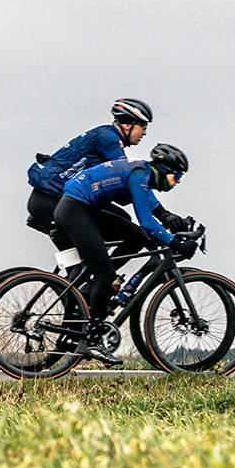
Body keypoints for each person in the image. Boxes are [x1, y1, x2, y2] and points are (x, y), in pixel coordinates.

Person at [53, 144, 198, 363]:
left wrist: (169, 219)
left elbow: (150, 205)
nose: (177, 182)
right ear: (165, 169)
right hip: (75, 211)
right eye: (176, 176)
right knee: (106, 275)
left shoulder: (142, 174)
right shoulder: (139, 175)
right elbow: (147, 221)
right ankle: (92, 340)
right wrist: (176, 244)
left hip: (82, 208)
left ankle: (94, 284)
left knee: (137, 237)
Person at [25, 99, 158, 271]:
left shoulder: (104, 134)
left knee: (123, 220)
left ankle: (84, 280)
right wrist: (163, 214)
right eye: (143, 127)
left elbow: (122, 191)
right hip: (52, 203)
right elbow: (131, 181)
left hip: (46, 201)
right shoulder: (109, 140)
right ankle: (101, 278)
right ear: (128, 125)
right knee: (134, 237)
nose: (145, 133)